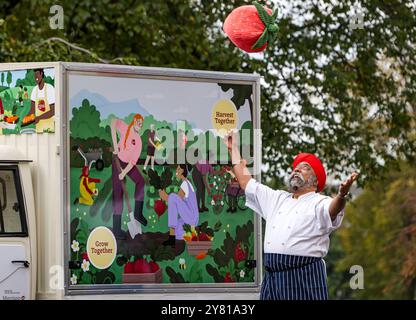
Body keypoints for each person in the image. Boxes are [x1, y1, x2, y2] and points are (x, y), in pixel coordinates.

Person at [224, 130, 359, 300]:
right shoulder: (277, 198)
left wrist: (341, 196)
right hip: (272, 278)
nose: (297, 170)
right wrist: (232, 148)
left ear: (316, 181)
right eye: (296, 168)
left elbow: (333, 208)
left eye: (305, 168)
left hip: (303, 277)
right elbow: (246, 182)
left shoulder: (318, 201)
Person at [111, 114, 147, 239]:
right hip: (117, 161)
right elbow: (113, 122)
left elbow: (132, 162)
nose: (140, 125)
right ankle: (116, 230)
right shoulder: (125, 128)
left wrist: (124, 173)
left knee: (141, 181)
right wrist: (116, 145)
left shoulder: (139, 141)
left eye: (141, 124)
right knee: (118, 194)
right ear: (134, 121)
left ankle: (138, 213)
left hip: (127, 165)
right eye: (138, 122)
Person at [159, 164, 199, 247]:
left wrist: (164, 196)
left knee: (173, 197)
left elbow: (174, 200)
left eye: (178, 169)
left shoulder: (185, 184)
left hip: (191, 217)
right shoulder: (187, 183)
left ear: (182, 171)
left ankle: (172, 238)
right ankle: (178, 235)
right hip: (191, 218)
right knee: (179, 230)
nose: (176, 171)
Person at [29, 69, 55, 133]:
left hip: (49, 128)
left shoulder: (49, 88)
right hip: (38, 128)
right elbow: (32, 110)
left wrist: (39, 118)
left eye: (37, 74)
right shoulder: (34, 90)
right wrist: (25, 120)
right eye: (34, 75)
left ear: (41, 74)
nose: (36, 77)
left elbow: (53, 111)